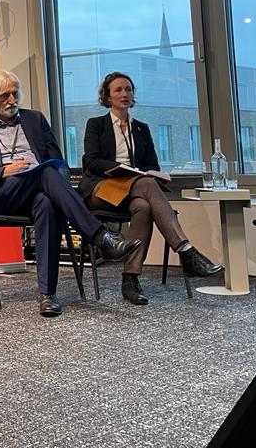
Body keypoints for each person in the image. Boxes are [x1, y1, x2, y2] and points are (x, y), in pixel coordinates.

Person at [0, 69, 141, 317]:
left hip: (38, 189)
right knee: (45, 174)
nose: (12, 100)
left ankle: (48, 295)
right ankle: (99, 236)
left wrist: (57, 177)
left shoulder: (35, 119)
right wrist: (4, 171)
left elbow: (59, 162)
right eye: (5, 96)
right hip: (1, 195)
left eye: (15, 93)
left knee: (47, 200)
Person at [77, 71, 224, 305]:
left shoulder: (141, 128)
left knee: (144, 207)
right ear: (107, 96)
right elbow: (92, 162)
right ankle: (186, 251)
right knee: (145, 183)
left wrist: (143, 173)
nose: (125, 93)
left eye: (128, 89)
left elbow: (152, 165)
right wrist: (123, 169)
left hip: (133, 189)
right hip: (101, 189)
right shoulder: (96, 125)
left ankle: (130, 279)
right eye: (118, 90)